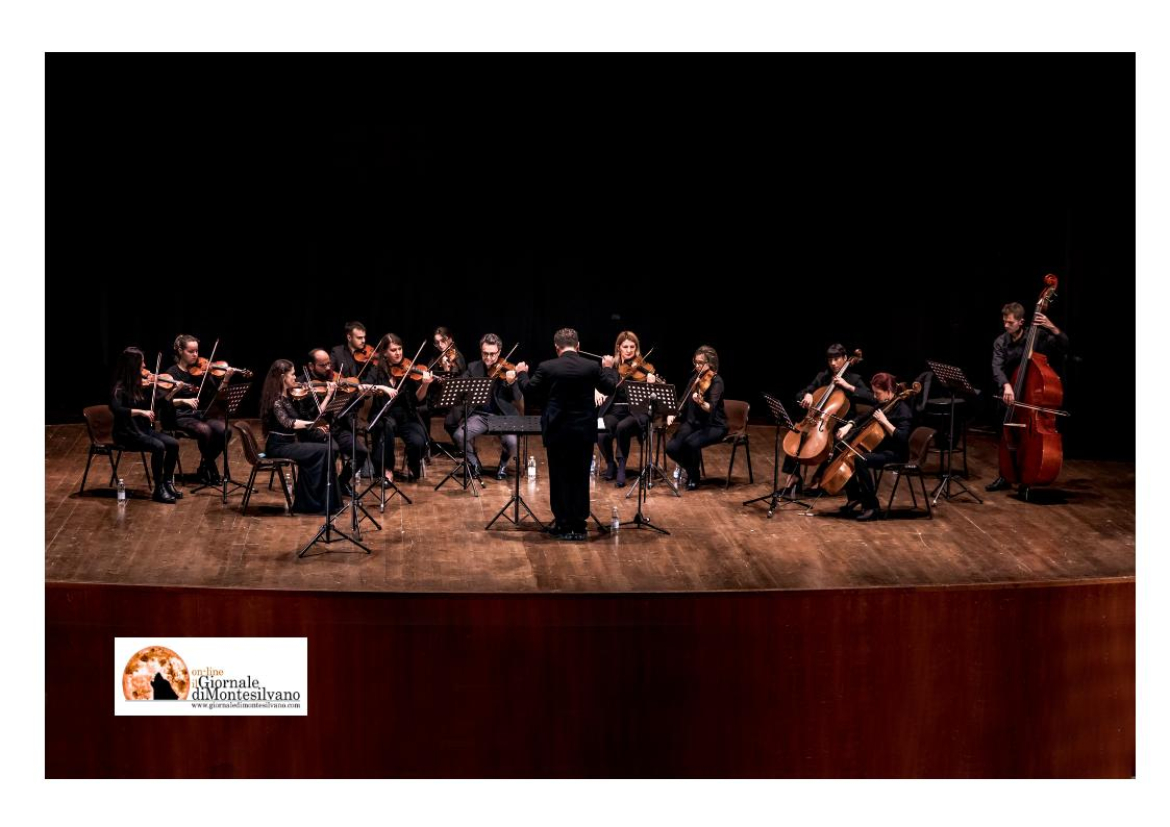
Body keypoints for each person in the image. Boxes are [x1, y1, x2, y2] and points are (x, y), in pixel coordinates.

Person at [514, 329, 618, 540]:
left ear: (556, 347)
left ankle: (562, 525)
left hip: (557, 431)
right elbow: (609, 387)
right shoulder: (591, 366)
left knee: (559, 476)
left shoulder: (547, 367)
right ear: (578, 346)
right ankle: (578, 526)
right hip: (583, 431)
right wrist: (608, 368)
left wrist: (522, 373)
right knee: (580, 476)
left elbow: (529, 390)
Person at [985, 301, 1069, 492]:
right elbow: (996, 367)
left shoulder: (1036, 336)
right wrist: (1006, 385)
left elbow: (1064, 345)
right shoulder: (1000, 341)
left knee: (1027, 439)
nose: (1006, 325)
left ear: (1021, 322)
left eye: (1010, 322)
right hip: (1008, 395)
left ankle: (1026, 477)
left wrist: (1051, 326)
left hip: (1031, 396)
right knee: (1006, 436)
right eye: (1004, 322)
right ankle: (1005, 475)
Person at [781, 343, 869, 493]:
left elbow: (871, 398)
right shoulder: (823, 377)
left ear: (845, 358)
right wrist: (807, 395)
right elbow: (801, 393)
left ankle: (820, 479)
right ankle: (793, 477)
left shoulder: (854, 379)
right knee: (797, 435)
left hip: (843, 424)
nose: (833, 363)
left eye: (836, 359)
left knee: (839, 440)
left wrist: (848, 387)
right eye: (830, 360)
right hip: (819, 421)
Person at [258, 359, 341, 515]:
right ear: (283, 377)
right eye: (293, 374)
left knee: (327, 449)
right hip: (278, 446)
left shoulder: (292, 397)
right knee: (323, 450)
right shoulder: (276, 401)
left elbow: (314, 416)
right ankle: (311, 504)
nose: (296, 378)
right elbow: (290, 423)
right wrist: (313, 424)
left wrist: (328, 396)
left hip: (290, 444)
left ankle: (325, 503)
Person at [836, 372, 913, 521]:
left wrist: (885, 422)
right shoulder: (885, 404)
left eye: (878, 393)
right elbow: (864, 416)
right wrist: (848, 426)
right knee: (847, 452)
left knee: (861, 459)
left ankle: (872, 507)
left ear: (889, 392)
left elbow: (902, 438)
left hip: (896, 453)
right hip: (882, 448)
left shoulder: (904, 410)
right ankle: (854, 497)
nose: (875, 396)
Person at [446, 333, 524, 480]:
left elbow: (517, 397)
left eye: (492, 354)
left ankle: (502, 465)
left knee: (511, 442)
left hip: (502, 417)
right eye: (485, 353)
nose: (488, 358)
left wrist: (512, 383)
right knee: (459, 436)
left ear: (499, 352)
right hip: (480, 416)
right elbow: (460, 385)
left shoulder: (509, 370)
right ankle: (474, 463)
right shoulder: (473, 367)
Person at [109, 347, 181, 503]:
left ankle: (168, 483)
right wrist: (140, 412)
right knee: (158, 446)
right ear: (133, 365)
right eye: (142, 362)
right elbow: (116, 409)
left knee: (173, 444)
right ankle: (159, 488)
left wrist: (173, 392)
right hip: (126, 433)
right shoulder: (120, 387)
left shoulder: (141, 386)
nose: (145, 365)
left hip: (143, 430)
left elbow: (156, 405)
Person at [300, 348, 375, 496]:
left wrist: (361, 395)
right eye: (323, 365)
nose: (328, 368)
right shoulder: (303, 384)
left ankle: (342, 482)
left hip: (336, 427)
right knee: (332, 451)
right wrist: (328, 395)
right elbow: (309, 416)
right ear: (311, 366)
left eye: (329, 363)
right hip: (316, 430)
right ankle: (324, 487)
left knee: (360, 452)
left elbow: (351, 402)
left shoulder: (334, 379)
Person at [163, 334, 230, 485]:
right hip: (179, 416)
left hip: (199, 415)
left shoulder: (202, 372)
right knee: (205, 431)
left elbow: (218, 394)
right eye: (191, 351)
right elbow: (164, 401)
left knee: (225, 430)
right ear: (180, 351)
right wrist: (184, 401)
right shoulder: (172, 373)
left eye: (197, 351)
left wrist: (226, 379)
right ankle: (211, 468)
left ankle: (206, 464)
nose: (195, 355)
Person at [366, 334, 432, 482]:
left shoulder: (408, 370)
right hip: (384, 414)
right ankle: (387, 469)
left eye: (400, 349)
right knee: (385, 428)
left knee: (418, 440)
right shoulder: (376, 370)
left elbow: (417, 399)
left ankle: (412, 464)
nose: (398, 353)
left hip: (406, 416)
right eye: (393, 350)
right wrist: (383, 387)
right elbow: (365, 387)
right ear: (384, 353)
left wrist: (425, 385)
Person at [597, 331, 658, 486]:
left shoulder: (644, 368)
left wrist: (651, 385)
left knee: (622, 427)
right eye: (625, 347)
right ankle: (610, 463)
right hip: (614, 410)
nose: (629, 350)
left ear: (636, 348)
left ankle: (622, 467)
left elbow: (654, 398)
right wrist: (595, 390)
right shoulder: (612, 366)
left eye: (632, 346)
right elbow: (603, 383)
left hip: (636, 412)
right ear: (619, 347)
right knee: (601, 431)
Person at [665, 346, 727, 491]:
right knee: (671, 448)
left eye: (701, 363)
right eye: (696, 362)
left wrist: (701, 402)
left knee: (691, 443)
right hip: (694, 422)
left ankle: (694, 476)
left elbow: (711, 407)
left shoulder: (717, 381)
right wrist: (673, 412)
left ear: (710, 363)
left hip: (714, 425)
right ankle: (691, 469)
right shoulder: (695, 379)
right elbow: (682, 400)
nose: (697, 366)